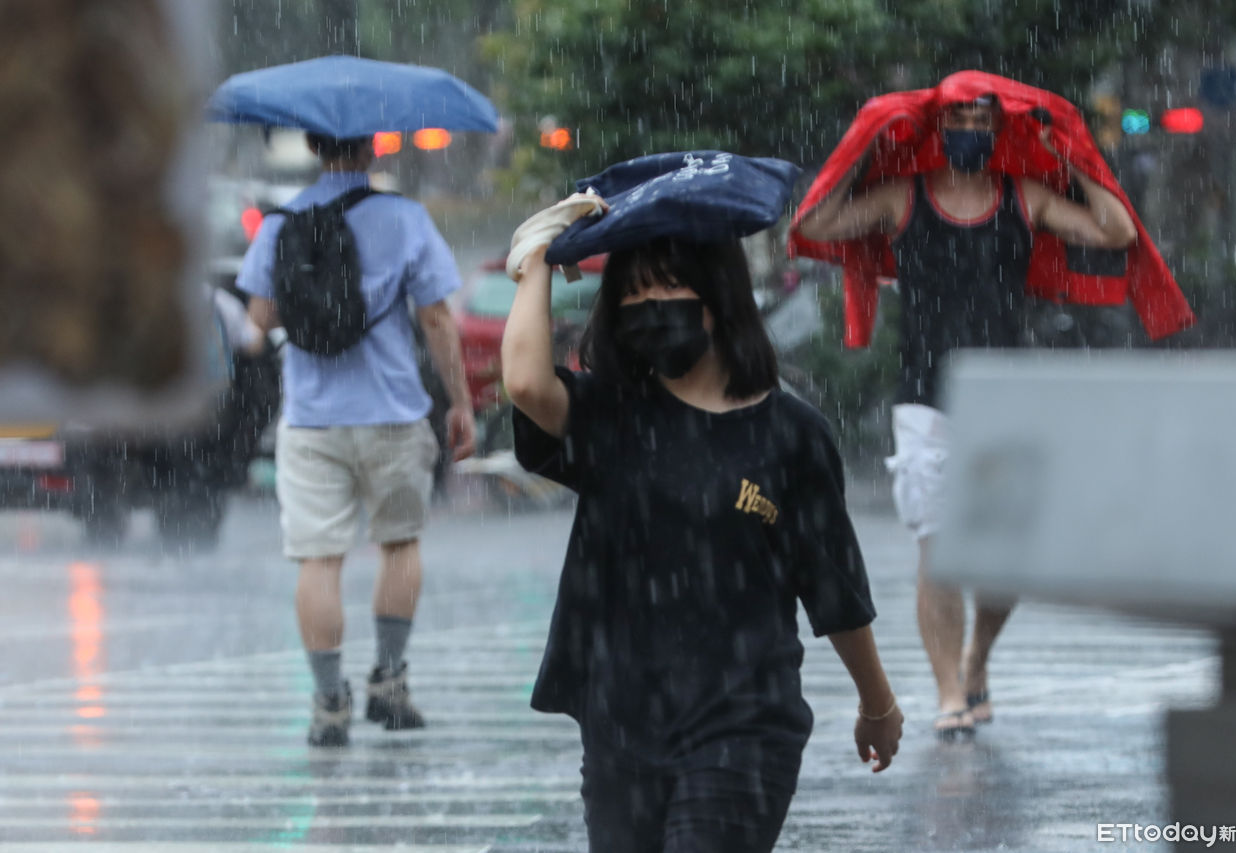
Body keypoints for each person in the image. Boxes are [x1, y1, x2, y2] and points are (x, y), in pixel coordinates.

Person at [502, 193, 903, 851]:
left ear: (718, 294)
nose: (649, 306)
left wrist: (877, 703)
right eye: (632, 292)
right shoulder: (613, 415)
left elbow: (834, 588)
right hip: (621, 724)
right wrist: (537, 261)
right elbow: (524, 383)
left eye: (669, 285)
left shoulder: (791, 435)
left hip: (745, 724)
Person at [794, 91, 1141, 740]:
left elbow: (1117, 231)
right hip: (925, 394)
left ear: (998, 129)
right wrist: (864, 147)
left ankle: (977, 658)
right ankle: (949, 690)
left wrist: (1076, 155)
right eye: (959, 119)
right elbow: (815, 225)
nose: (970, 131)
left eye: (983, 121)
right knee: (937, 548)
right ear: (938, 125)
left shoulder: (1024, 197)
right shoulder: (904, 197)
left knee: (1002, 557)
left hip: (1002, 393)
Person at [239, 132, 476, 747]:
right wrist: (460, 401)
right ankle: (389, 683)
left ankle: (328, 704)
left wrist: (310, 301)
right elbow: (436, 318)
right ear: (372, 147)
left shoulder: (280, 221)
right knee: (399, 544)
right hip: (393, 412)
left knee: (319, 561)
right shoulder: (404, 218)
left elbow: (259, 321)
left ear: (313, 145)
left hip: (311, 419)